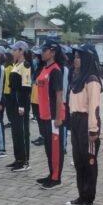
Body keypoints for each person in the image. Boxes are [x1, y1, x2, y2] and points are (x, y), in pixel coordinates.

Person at [65, 44, 102, 205]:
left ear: (87, 59)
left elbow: (94, 106)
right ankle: (81, 195)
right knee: (79, 160)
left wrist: (93, 130)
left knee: (89, 161)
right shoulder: (77, 77)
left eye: (79, 57)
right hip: (76, 120)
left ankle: (89, 198)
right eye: (75, 57)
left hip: (87, 122)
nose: (76, 60)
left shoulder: (91, 80)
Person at [35, 39, 65, 190]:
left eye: (44, 50)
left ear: (52, 52)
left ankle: (56, 179)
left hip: (54, 116)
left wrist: (58, 117)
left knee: (55, 149)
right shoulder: (44, 68)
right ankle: (51, 173)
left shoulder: (55, 71)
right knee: (48, 147)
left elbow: (59, 96)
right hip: (44, 115)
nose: (42, 53)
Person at [7, 41, 33, 172]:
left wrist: (22, 106)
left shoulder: (25, 66)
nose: (12, 52)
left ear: (21, 51)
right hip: (13, 102)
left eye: (15, 50)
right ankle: (18, 158)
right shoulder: (16, 65)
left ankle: (25, 161)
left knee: (22, 132)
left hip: (21, 104)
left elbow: (25, 88)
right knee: (16, 132)